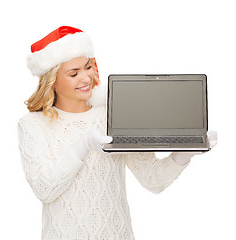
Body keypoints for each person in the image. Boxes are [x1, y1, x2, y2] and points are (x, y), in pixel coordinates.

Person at [17, 26, 217, 240]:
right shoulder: (33, 124)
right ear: (52, 79)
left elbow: (152, 180)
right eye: (74, 73)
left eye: (88, 67)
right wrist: (82, 145)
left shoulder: (113, 115)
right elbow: (45, 189)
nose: (86, 78)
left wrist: (182, 155)